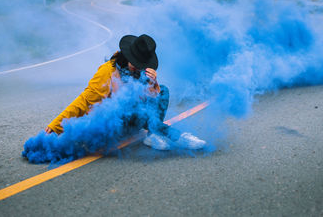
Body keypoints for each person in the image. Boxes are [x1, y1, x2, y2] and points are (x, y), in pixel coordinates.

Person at [44, 34, 206, 150]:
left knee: (163, 90)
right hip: (115, 123)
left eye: (141, 64)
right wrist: (57, 125)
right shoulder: (107, 72)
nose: (138, 67)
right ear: (127, 56)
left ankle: (152, 135)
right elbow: (84, 100)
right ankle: (180, 137)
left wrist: (153, 83)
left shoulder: (142, 71)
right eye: (135, 63)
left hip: (137, 118)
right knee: (131, 106)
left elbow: (149, 102)